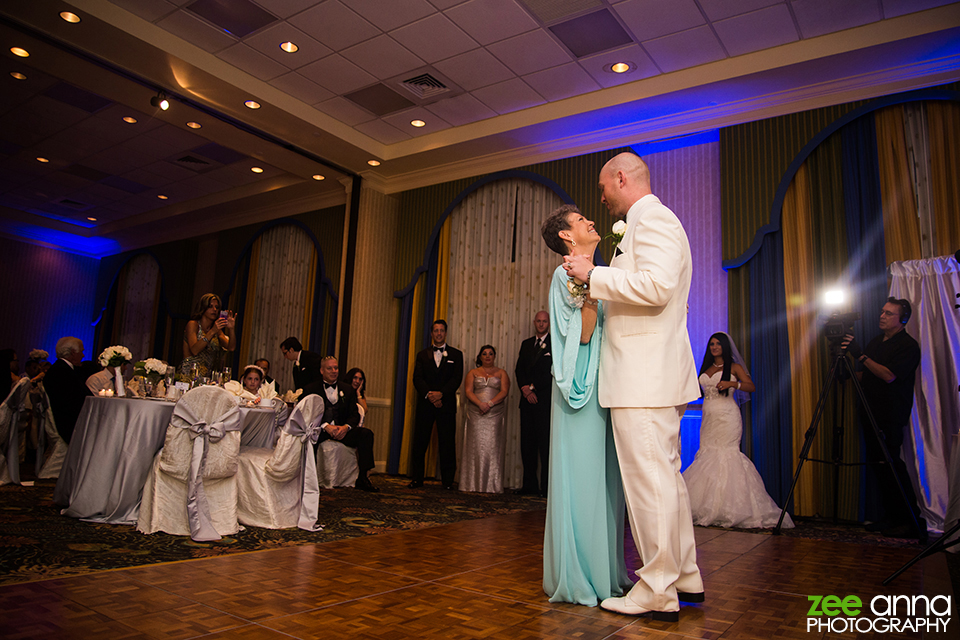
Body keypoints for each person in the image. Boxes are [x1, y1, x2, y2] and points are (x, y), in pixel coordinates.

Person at [564, 152, 702, 620]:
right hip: (651, 375)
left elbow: (658, 286)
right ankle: (684, 575)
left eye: (603, 187)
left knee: (649, 485)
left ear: (621, 178)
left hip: (644, 376)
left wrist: (593, 275)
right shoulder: (646, 223)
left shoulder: (654, 219)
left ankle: (657, 589)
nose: (601, 198)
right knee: (665, 480)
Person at [540, 204, 633, 606]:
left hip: (605, 386)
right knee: (584, 479)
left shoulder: (598, 272)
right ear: (566, 235)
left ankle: (606, 572)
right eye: (580, 220)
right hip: (579, 388)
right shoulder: (565, 275)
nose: (591, 222)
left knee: (605, 481)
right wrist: (591, 288)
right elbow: (582, 334)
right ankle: (581, 575)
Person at [682, 333, 793, 529]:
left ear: (725, 346)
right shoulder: (706, 368)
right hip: (709, 418)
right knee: (708, 454)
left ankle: (731, 508)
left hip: (728, 417)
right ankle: (704, 506)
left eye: (718, 344)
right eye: (711, 344)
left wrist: (733, 383)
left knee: (727, 455)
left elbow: (751, 387)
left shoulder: (734, 367)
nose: (714, 347)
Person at [843, 298, 924, 540]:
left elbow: (889, 376)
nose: (882, 316)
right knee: (879, 465)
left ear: (903, 319)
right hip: (869, 410)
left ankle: (910, 520)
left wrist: (861, 355)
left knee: (891, 464)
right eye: (882, 312)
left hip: (890, 413)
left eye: (889, 313)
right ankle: (891, 517)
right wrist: (847, 371)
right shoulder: (876, 342)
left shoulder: (908, 346)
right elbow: (867, 375)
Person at [302, 356, 379, 492]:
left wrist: (345, 427)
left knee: (366, 434)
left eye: (336, 368)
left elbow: (355, 415)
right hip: (320, 430)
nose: (334, 371)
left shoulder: (347, 389)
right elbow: (307, 414)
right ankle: (309, 479)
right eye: (329, 368)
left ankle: (363, 478)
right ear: (321, 371)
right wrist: (326, 426)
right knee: (309, 439)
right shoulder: (311, 389)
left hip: (342, 431)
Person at [409, 320, 464, 489]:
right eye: (436, 330)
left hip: (446, 405)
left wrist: (441, 394)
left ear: (446, 333)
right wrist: (430, 395)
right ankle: (417, 479)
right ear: (432, 333)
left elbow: (457, 378)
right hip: (425, 404)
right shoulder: (421, 355)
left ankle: (447, 482)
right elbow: (417, 378)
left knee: (447, 443)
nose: (439, 333)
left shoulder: (456, 354)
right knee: (420, 442)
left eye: (441, 330)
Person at [460, 345, 510, 493]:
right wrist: (480, 404)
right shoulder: (472, 373)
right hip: (476, 414)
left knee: (492, 447)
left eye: (490, 354)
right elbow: (468, 391)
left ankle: (492, 485)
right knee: (475, 446)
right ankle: (470, 484)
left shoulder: (502, 373)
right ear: (480, 357)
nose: (487, 356)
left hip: (494, 414)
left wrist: (489, 404)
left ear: (494, 356)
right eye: (484, 354)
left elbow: (504, 391)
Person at [515, 311, 552, 496]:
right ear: (534, 322)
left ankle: (546, 488)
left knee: (545, 446)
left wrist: (532, 387)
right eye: (538, 321)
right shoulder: (526, 344)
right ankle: (529, 485)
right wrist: (524, 389)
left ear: (549, 323)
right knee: (527, 445)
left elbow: (552, 372)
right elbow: (519, 369)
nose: (541, 324)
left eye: (544, 321)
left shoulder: (555, 344)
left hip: (544, 402)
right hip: (527, 403)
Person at [43, 337, 92, 444]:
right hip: (68, 425)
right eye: (81, 351)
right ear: (73, 352)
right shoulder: (62, 372)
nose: (83, 355)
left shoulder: (62, 369)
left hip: (68, 420)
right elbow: (71, 403)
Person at [179, 293, 235, 378]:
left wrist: (231, 329)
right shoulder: (193, 324)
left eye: (217, 307)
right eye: (210, 306)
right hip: (188, 375)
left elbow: (231, 347)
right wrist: (212, 331)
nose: (214, 309)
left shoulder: (217, 330)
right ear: (203, 308)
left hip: (206, 377)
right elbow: (194, 350)